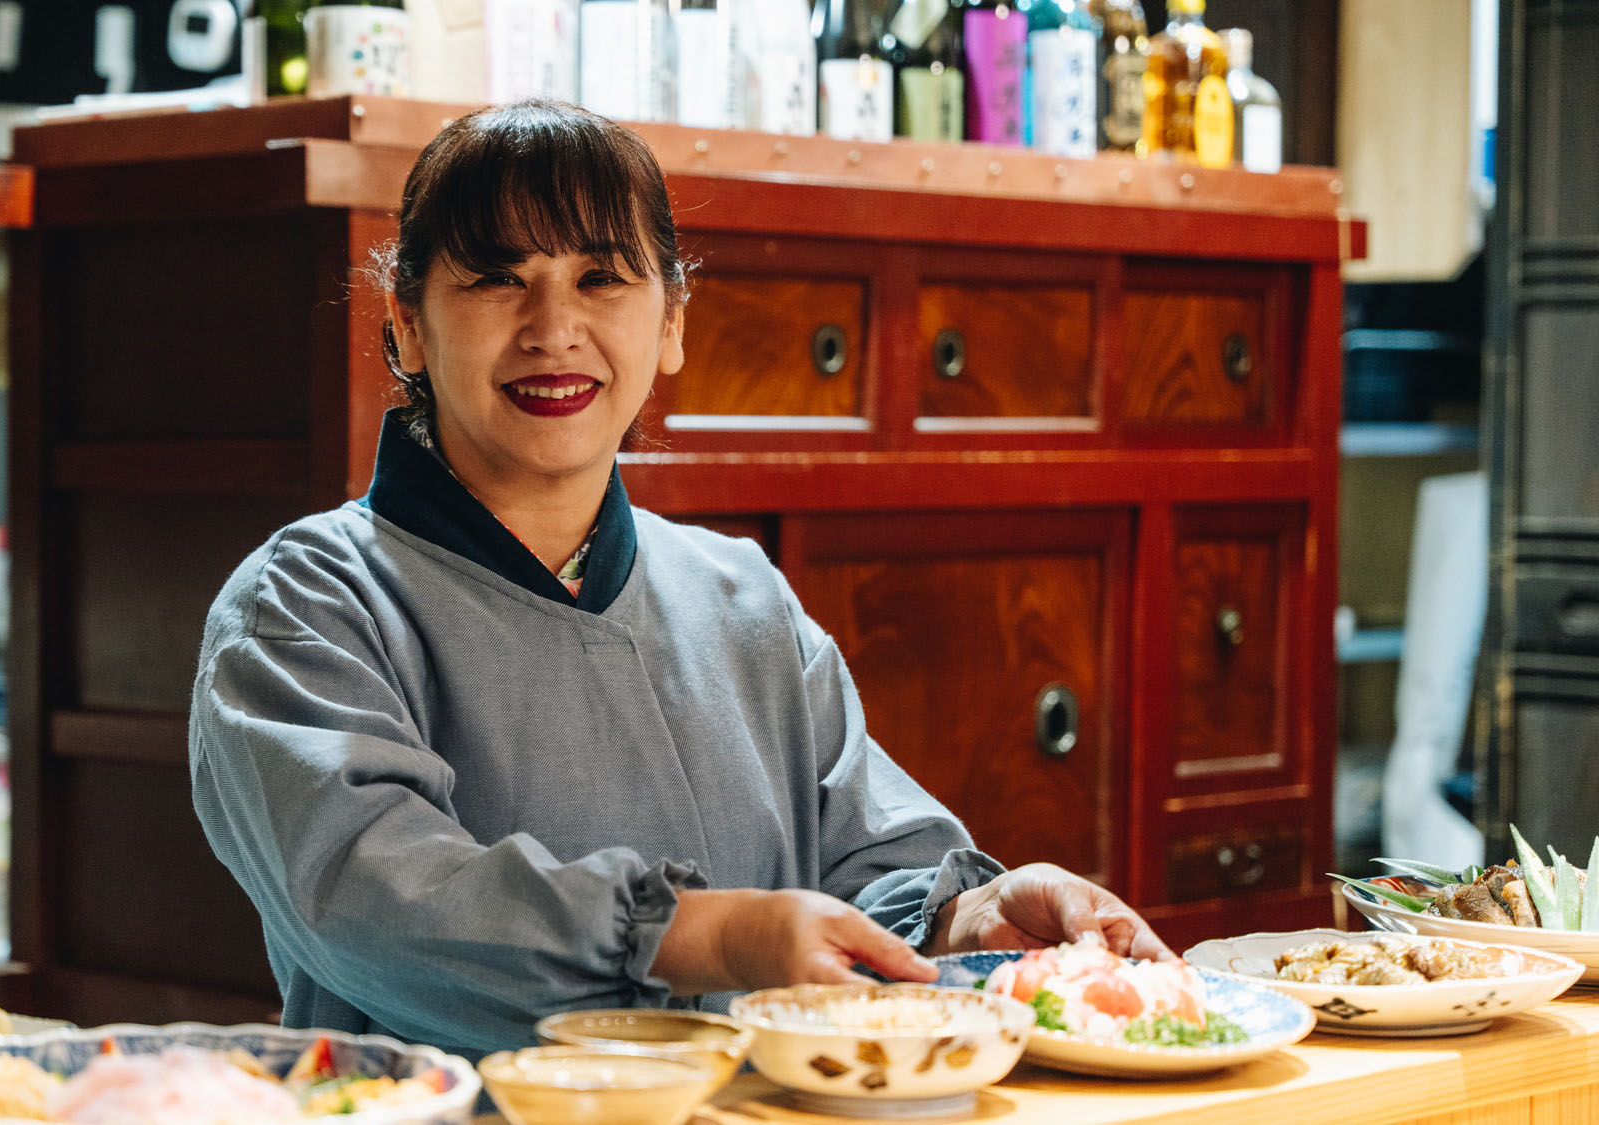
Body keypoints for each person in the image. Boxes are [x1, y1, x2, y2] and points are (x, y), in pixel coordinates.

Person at [190, 99, 1168, 1058]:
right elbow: (366, 895)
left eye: (601, 278)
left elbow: (871, 871)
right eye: (496, 279)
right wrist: (707, 937)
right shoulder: (307, 604)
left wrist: (976, 914)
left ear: (672, 322)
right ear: (406, 324)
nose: (553, 327)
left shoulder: (742, 600)